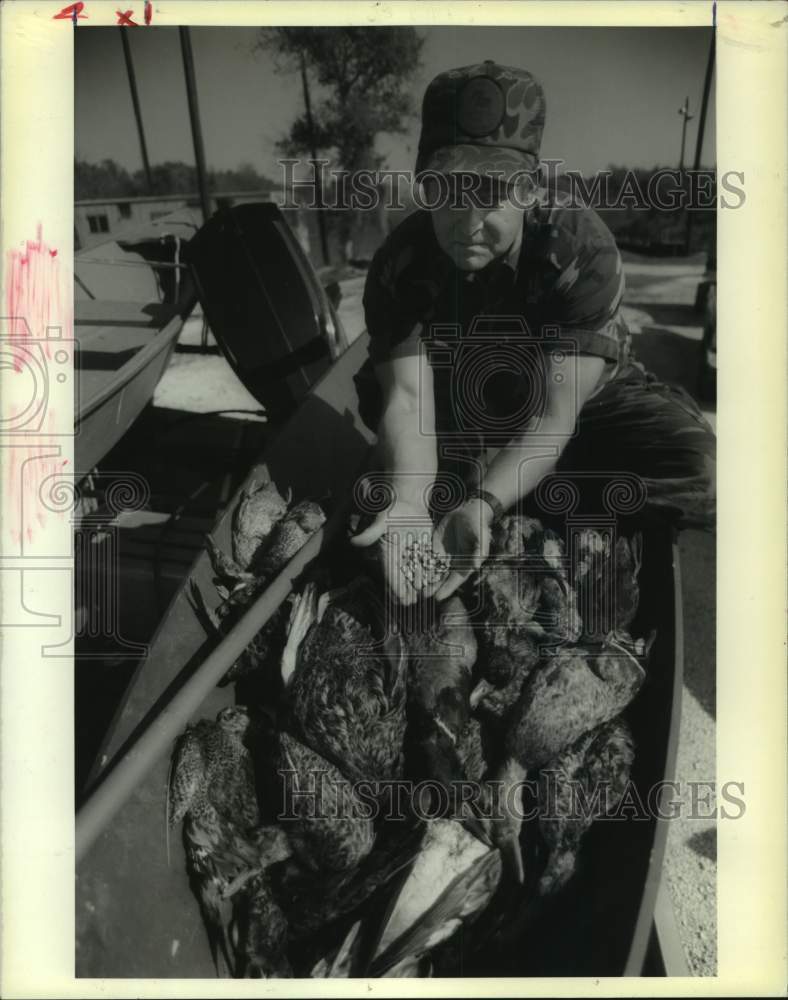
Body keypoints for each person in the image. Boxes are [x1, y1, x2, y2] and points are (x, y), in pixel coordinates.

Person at [349, 61, 715, 606]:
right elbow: (407, 400)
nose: (466, 220)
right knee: (398, 475)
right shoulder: (401, 262)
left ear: (526, 189)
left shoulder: (581, 250)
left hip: (577, 404)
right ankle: (511, 486)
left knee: (706, 474)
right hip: (469, 401)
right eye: (445, 190)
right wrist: (406, 496)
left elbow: (553, 415)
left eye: (490, 192)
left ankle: (522, 488)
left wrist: (484, 503)